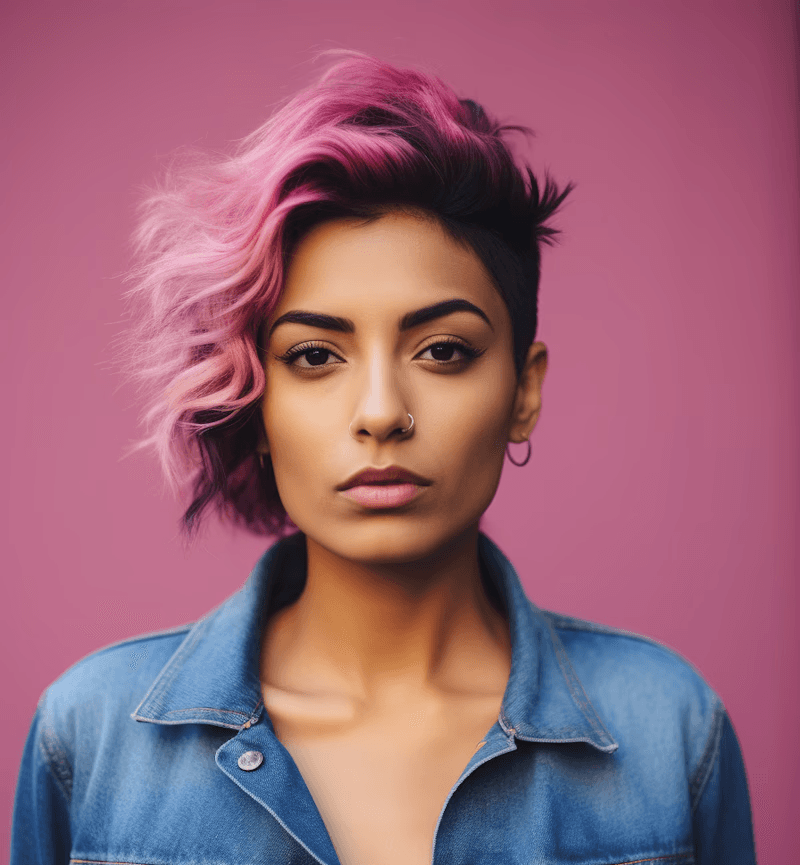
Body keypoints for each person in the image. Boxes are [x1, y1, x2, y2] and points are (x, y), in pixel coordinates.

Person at [11, 51, 756, 865]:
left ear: (523, 391)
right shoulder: (88, 740)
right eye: (314, 356)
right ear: (254, 401)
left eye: (441, 350)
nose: (380, 413)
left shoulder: (670, 732)